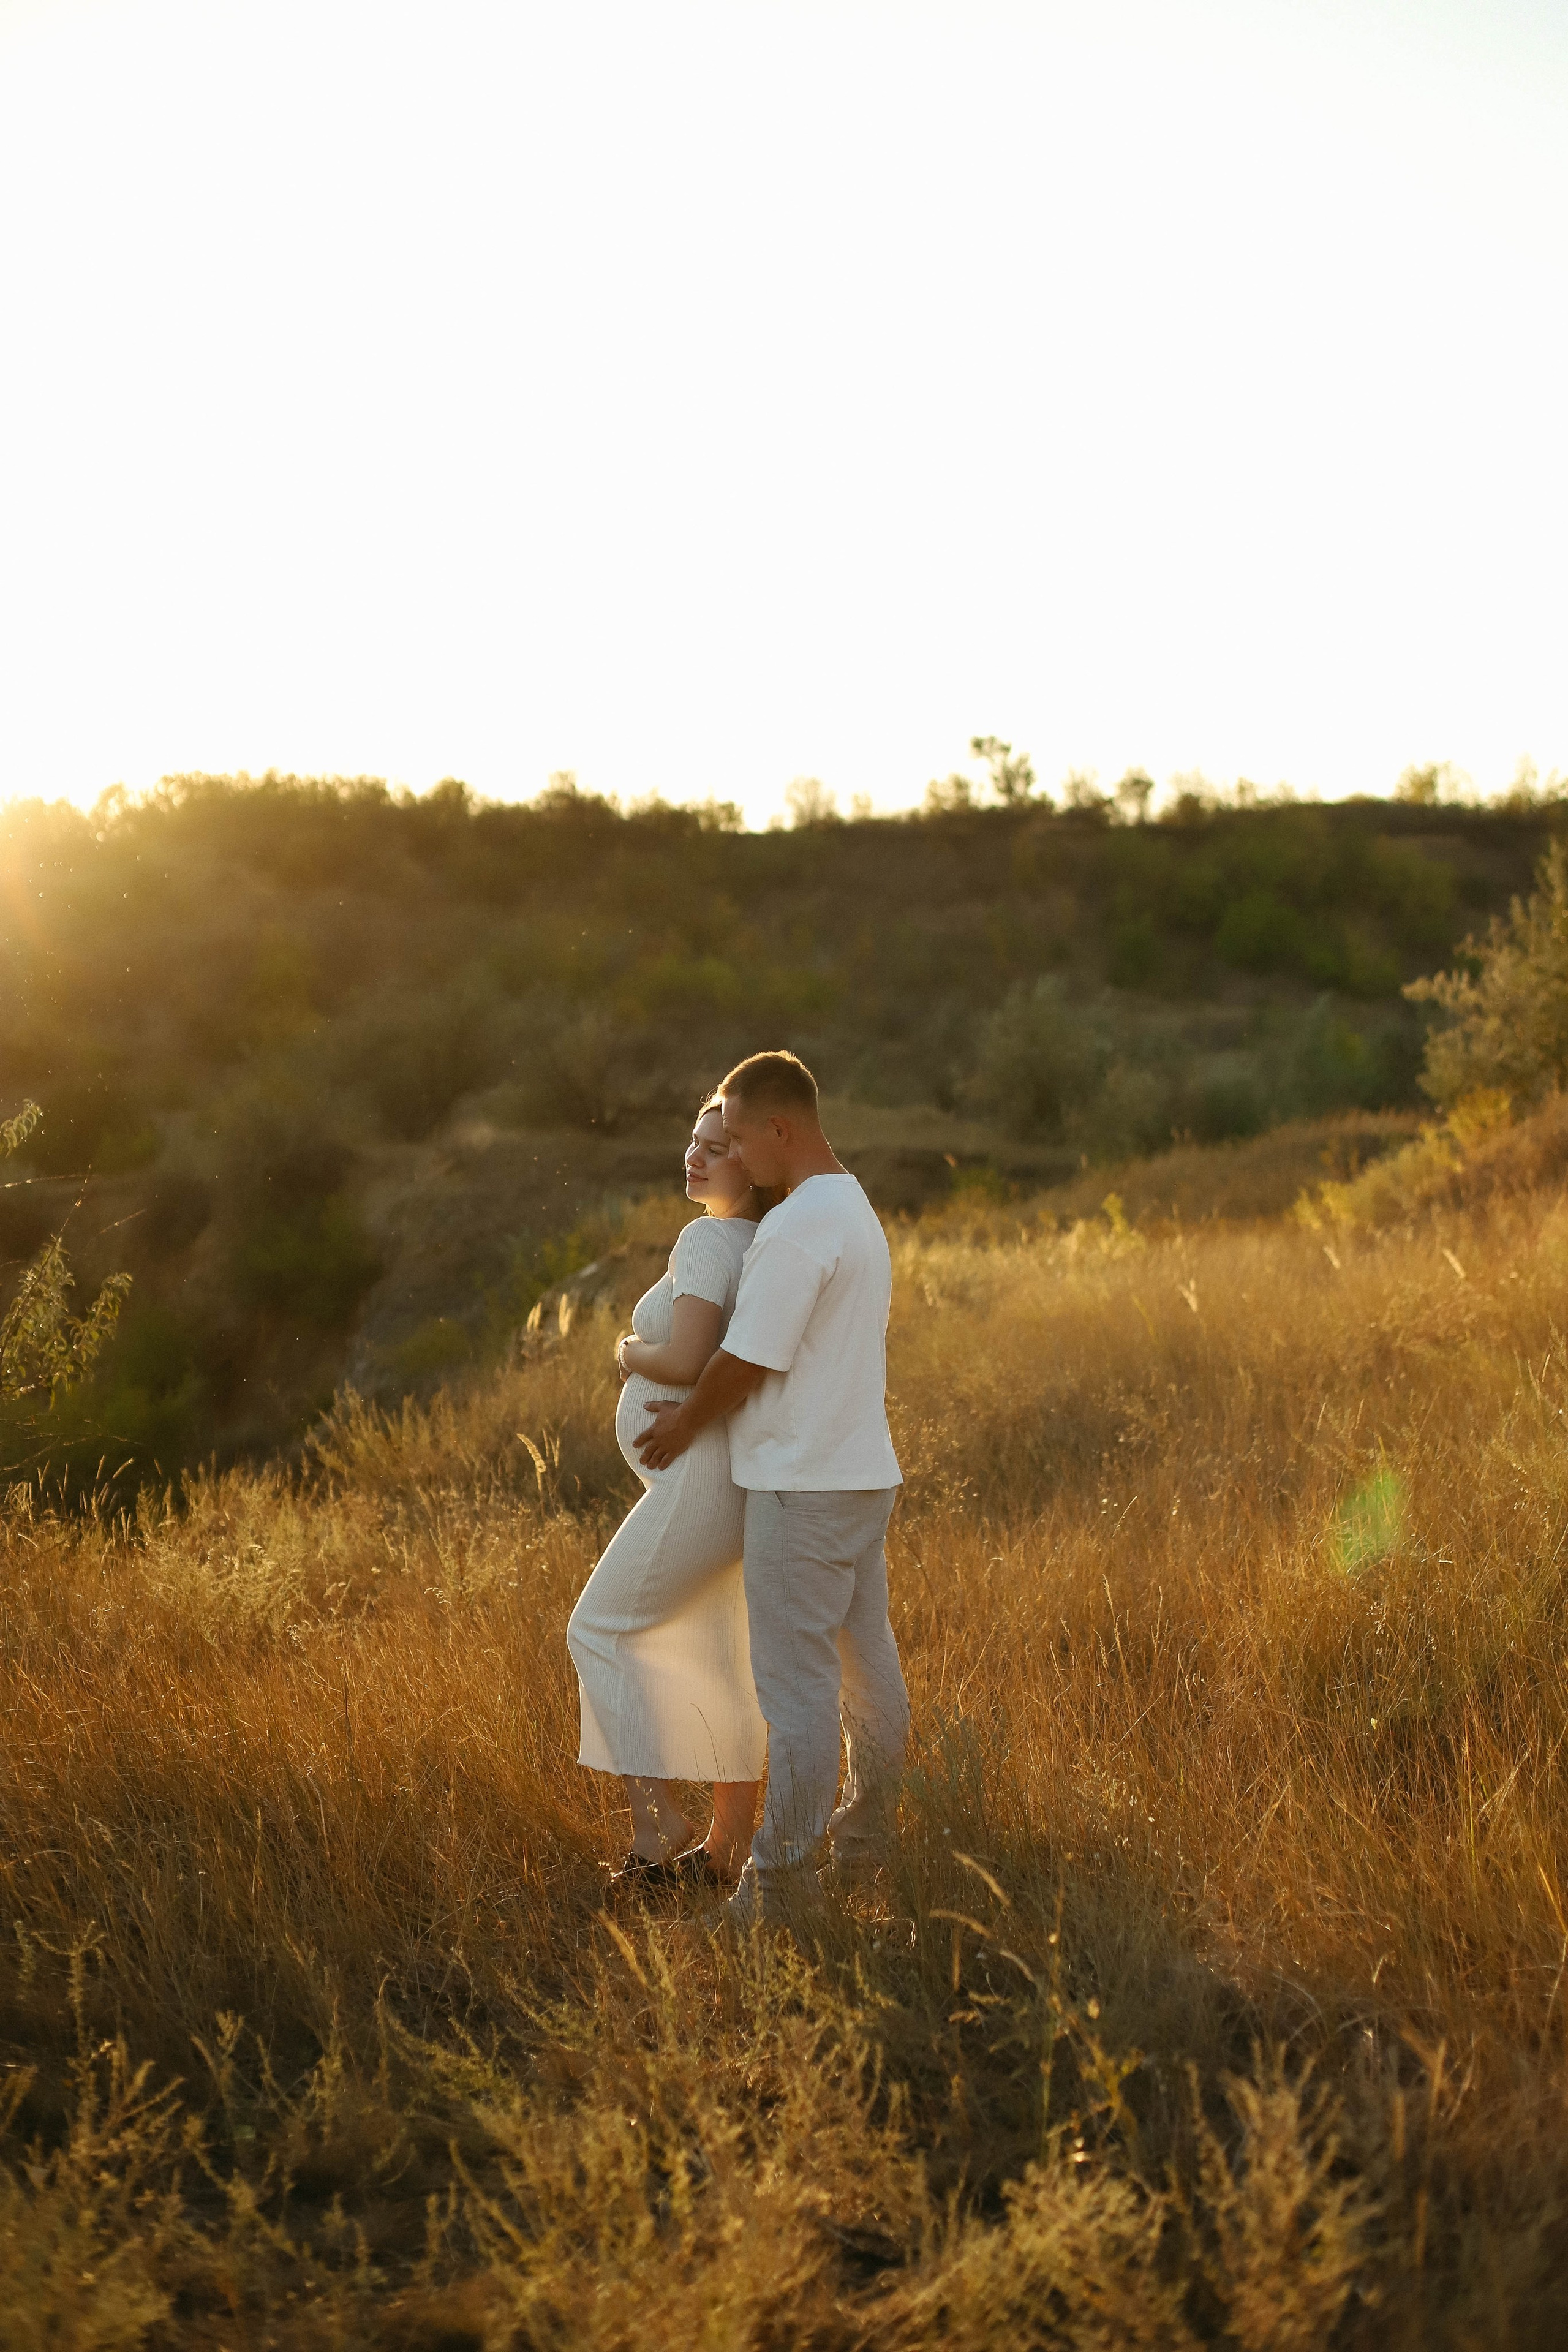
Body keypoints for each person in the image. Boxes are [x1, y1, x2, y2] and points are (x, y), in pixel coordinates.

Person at [634, 1050, 909, 1928]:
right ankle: (864, 1852)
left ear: (780, 1128)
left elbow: (748, 1360)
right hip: (861, 1478)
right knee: (871, 1682)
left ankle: (778, 1894)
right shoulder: (852, 1208)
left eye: (742, 1138)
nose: (737, 1158)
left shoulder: (794, 1232)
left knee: (795, 1702)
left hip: (803, 1489)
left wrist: (681, 1423)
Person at [566, 1099, 772, 1888]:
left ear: (749, 1164)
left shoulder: (710, 1238)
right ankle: (728, 1848)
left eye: (718, 1148)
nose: (696, 1155)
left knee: (597, 1629)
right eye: (693, 1138)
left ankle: (658, 1829)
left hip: (702, 1478)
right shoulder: (756, 1239)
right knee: (714, 1653)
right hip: (718, 1473)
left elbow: (686, 1360)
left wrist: (628, 1349)